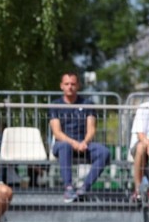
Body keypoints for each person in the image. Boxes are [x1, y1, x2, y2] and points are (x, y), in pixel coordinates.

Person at [48, 72, 111, 202]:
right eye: (67, 84)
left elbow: (92, 129)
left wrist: (84, 142)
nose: (70, 87)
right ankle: (68, 188)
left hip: (84, 145)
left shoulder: (88, 104)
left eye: (73, 84)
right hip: (63, 145)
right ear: (61, 86)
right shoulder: (55, 105)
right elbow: (57, 133)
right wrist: (74, 143)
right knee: (65, 146)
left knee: (104, 152)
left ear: (78, 86)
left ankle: (84, 188)